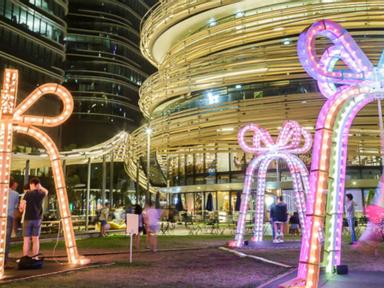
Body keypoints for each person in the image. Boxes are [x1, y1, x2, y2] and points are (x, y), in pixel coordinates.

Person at [19, 178, 48, 258]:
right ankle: (35, 257)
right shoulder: (41, 193)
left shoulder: (27, 193)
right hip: (37, 219)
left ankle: (25, 257)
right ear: (38, 185)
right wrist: (40, 187)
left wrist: (21, 208)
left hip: (27, 218)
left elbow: (22, 206)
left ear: (32, 184)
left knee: (26, 239)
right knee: (35, 239)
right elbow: (46, 191)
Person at [5, 177, 19, 266]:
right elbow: (15, 210)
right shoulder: (15, 194)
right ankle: (4, 262)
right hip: (8, 217)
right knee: (6, 240)